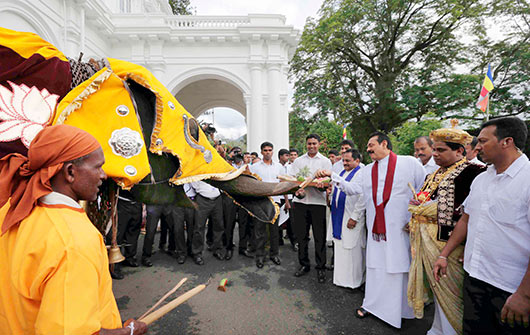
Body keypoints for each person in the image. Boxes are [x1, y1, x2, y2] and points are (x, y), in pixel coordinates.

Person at [0, 124, 147, 334]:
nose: (104, 175)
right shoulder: (73, 242)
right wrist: (127, 332)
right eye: (97, 166)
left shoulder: (10, 209)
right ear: (70, 172)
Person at [316, 131, 426, 328]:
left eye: (370, 145)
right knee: (375, 267)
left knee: (397, 267)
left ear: (384, 144)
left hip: (399, 229)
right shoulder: (367, 171)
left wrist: (418, 207)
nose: (367, 149)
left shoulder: (408, 163)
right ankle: (374, 306)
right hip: (376, 230)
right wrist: (332, 176)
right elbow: (353, 189)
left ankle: (399, 310)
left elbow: (424, 188)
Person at [434, 117, 530, 334]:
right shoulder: (481, 179)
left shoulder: (527, 180)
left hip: (510, 289)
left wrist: (525, 295)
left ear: (507, 141)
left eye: (483, 141)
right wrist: (444, 254)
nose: (477, 147)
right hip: (474, 278)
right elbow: (467, 219)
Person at [408, 126, 486, 335]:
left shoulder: (474, 173)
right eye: (434, 149)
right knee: (437, 290)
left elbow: (474, 215)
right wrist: (418, 204)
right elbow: (423, 200)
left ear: (459, 151)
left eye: (441, 150)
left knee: (451, 293)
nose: (435, 154)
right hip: (428, 241)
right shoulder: (433, 174)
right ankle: (438, 329)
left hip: (452, 246)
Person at [290, 134, 333, 283]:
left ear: (319, 144)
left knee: (319, 237)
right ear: (306, 144)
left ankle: (320, 268)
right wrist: (297, 190)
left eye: (314, 143)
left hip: (318, 204)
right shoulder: (298, 161)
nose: (312, 146)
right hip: (300, 203)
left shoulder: (326, 162)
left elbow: (328, 183)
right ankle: (304, 264)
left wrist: (322, 186)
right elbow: (292, 180)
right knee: (301, 236)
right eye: (309, 144)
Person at [328, 149, 366, 289]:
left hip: (351, 216)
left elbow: (362, 196)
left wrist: (355, 217)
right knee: (341, 247)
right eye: (343, 160)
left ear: (357, 161)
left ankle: (354, 282)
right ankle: (341, 280)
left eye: (348, 160)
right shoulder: (343, 173)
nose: (344, 163)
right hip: (340, 215)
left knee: (352, 249)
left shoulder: (361, 173)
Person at [249, 142, 284, 268]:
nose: (268, 152)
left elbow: (283, 183)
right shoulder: (255, 167)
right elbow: (251, 185)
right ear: (261, 152)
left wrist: (286, 200)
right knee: (259, 231)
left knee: (275, 231)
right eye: (265, 150)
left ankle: (274, 254)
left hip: (275, 202)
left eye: (270, 150)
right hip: (260, 202)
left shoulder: (279, 167)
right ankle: (260, 256)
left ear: (273, 151)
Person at [190, 180, 225, 265]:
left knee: (218, 225)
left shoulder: (216, 167)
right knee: (199, 226)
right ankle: (197, 253)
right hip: (202, 200)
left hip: (217, 199)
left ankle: (217, 249)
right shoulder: (199, 168)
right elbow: (194, 182)